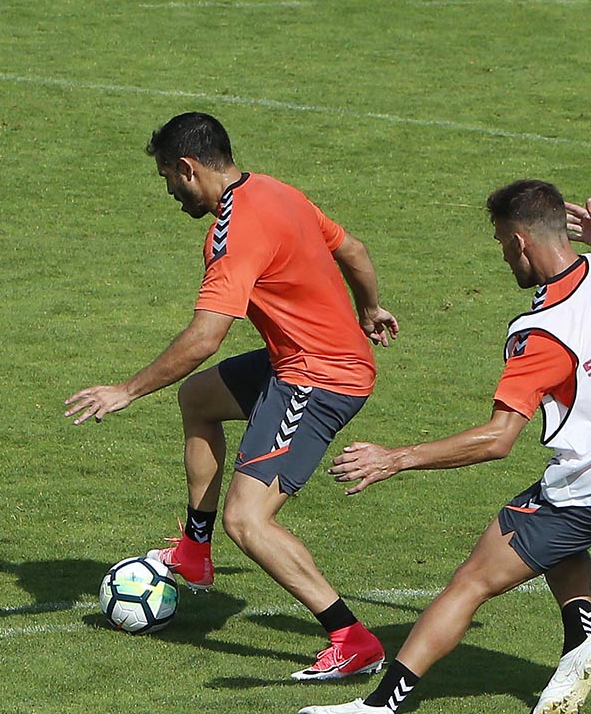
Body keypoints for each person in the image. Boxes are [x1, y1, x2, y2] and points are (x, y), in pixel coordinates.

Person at [65, 112, 399, 680]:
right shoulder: (277, 191)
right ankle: (194, 553)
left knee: (248, 521)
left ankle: (352, 638)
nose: (169, 190)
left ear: (188, 168)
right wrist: (369, 307)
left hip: (320, 378)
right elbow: (356, 249)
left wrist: (126, 390)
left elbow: (205, 336)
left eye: (168, 176)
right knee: (199, 399)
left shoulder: (232, 232)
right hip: (296, 359)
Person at [299, 180, 591, 714]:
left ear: (520, 243)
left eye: (503, 243)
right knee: (548, 530)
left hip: (584, 487)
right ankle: (583, 642)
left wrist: (395, 457)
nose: (505, 257)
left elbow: (498, 439)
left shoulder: (542, 332)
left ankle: (381, 706)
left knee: (472, 580)